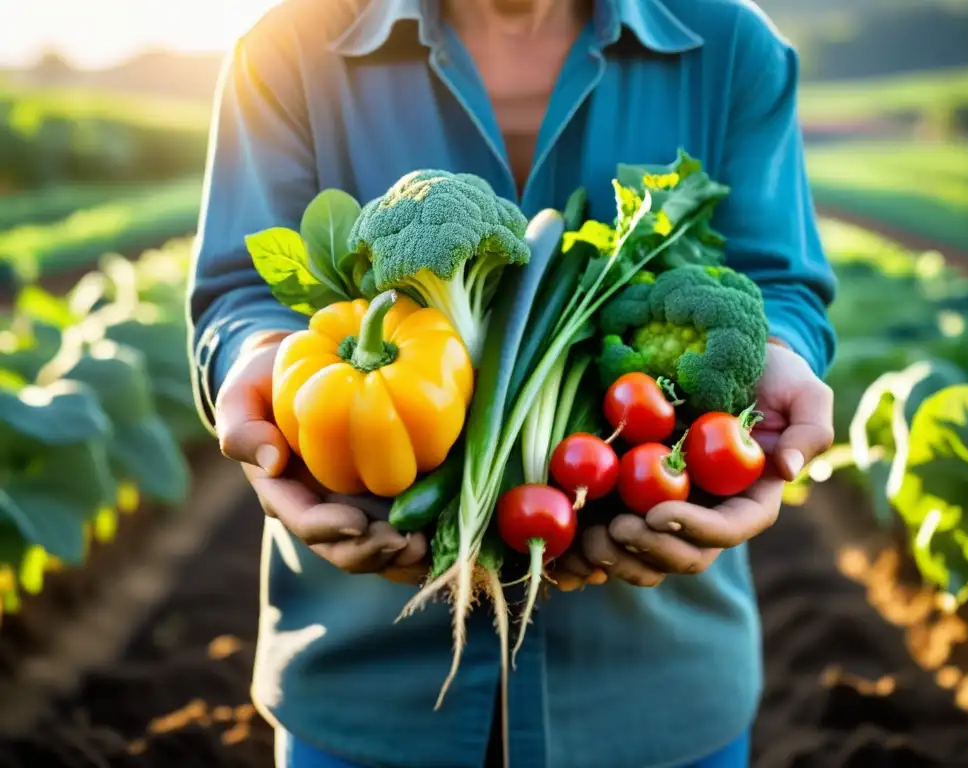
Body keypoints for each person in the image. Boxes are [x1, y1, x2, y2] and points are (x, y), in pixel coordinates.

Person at [188, 0, 837, 766]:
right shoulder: (286, 48)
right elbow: (240, 291)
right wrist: (260, 361)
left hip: (655, 686)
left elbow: (777, 284)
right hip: (365, 678)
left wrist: (780, 355)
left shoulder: (733, 47)